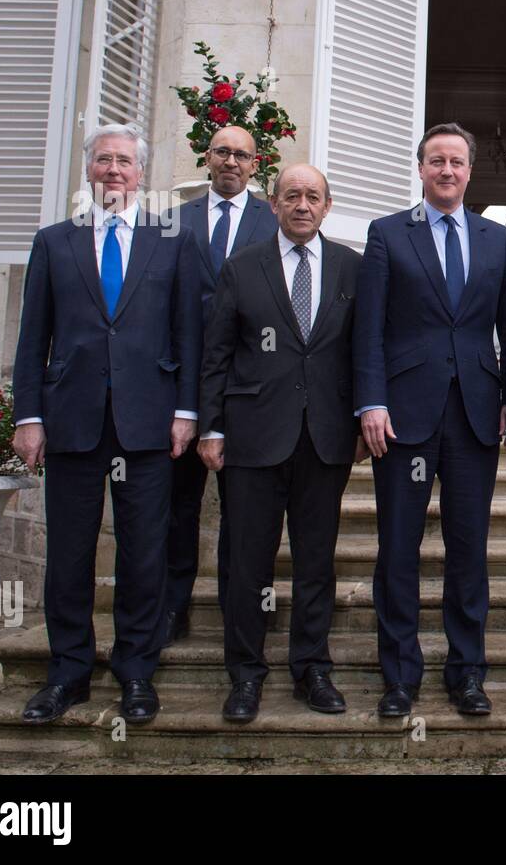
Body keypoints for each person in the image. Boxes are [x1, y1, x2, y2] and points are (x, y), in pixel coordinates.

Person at [12, 123, 201, 725]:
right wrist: (29, 415)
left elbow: (189, 335)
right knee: (69, 554)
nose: (113, 170)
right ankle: (68, 672)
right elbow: (31, 338)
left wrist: (187, 412)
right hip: (70, 422)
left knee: (145, 554)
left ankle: (136, 671)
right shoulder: (54, 242)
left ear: (141, 173)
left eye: (124, 161)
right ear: (89, 170)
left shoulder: (171, 241)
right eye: (103, 161)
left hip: (148, 424)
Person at [354, 123, 506, 718]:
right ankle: (399, 674)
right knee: (397, 547)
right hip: (402, 415)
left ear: (470, 171)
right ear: (420, 169)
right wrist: (370, 402)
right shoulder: (388, 234)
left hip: (475, 411)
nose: (446, 170)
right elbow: (367, 328)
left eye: (456, 162)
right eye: (436, 161)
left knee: (468, 550)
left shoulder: (497, 239)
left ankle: (467, 672)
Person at [198, 164, 360, 723]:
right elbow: (216, 353)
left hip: (324, 440)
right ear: (273, 203)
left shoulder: (351, 269)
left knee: (316, 561)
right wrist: (211, 427)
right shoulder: (241, 268)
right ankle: (245, 673)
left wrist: (363, 420)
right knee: (247, 563)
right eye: (291, 195)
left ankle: (311, 667)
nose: (302, 205)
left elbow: (363, 353)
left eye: (312, 196)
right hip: (251, 439)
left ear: (327, 205)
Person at [162, 125, 278, 647]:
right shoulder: (173, 221)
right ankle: (170, 609)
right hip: (183, 388)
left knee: (246, 514)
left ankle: (244, 610)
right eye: (223, 152)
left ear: (256, 165)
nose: (232, 161)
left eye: (242, 155)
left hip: (250, 390)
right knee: (177, 506)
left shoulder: (270, 220)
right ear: (207, 158)